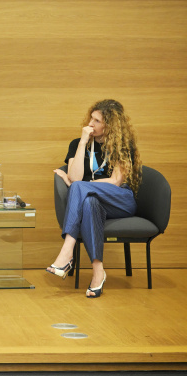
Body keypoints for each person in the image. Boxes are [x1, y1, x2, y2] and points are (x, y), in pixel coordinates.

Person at [47, 99, 141, 298]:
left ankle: (66, 252)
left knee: (81, 188)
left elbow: (115, 181)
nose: (91, 124)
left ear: (110, 126)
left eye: (97, 121)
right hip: (93, 201)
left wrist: (77, 185)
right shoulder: (77, 144)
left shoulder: (123, 146)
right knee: (89, 202)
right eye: (91, 118)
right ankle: (98, 273)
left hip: (119, 200)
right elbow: (75, 176)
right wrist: (82, 143)